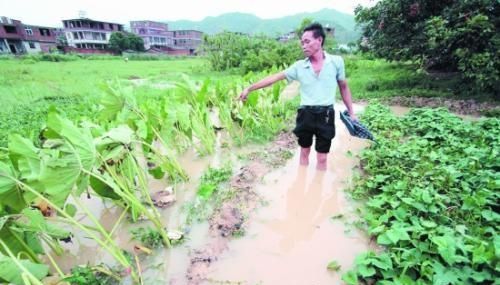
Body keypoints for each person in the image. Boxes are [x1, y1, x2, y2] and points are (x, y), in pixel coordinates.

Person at [239, 23, 357, 170]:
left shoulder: (336, 62)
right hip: (305, 114)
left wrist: (351, 112)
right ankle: (302, 181)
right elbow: (274, 78)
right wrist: (249, 88)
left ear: (319, 40)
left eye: (307, 42)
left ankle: (317, 189)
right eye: (302, 43)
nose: (303, 46)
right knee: (304, 152)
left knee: (322, 157)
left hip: (326, 114)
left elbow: (343, 87)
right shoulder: (299, 66)